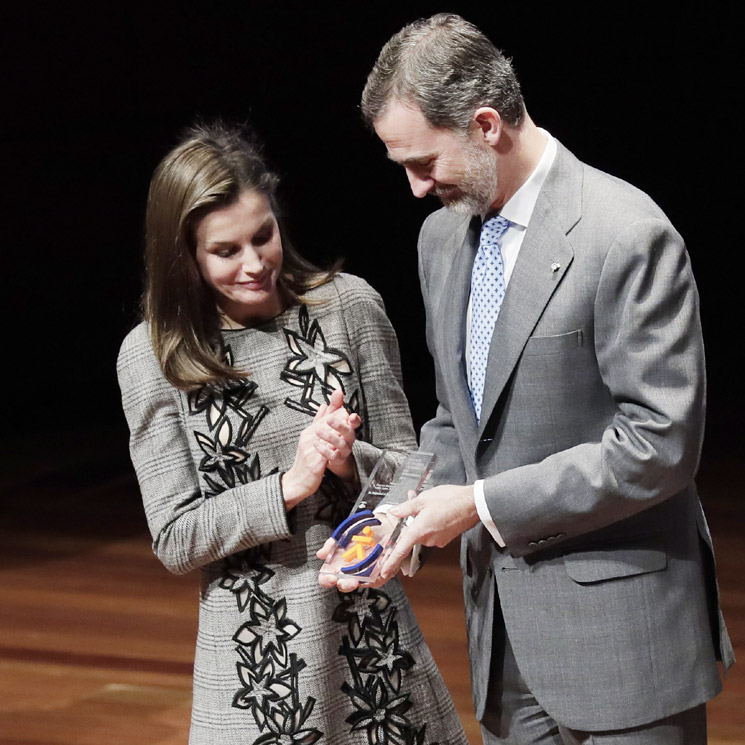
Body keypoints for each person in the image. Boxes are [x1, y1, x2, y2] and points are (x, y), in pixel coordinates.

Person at [327, 13, 734, 745]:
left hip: (623, 644)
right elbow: (460, 420)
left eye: (424, 163)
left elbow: (659, 445)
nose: (416, 189)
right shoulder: (441, 238)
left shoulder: (624, 234)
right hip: (505, 645)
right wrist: (384, 515)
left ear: (486, 124)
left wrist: (477, 505)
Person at [117, 121, 468, 745]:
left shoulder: (349, 306)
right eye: (225, 251)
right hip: (255, 669)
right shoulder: (152, 357)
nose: (255, 264)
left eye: (264, 236)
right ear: (185, 256)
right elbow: (175, 536)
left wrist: (347, 462)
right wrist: (288, 484)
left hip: (372, 647)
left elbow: (410, 471)